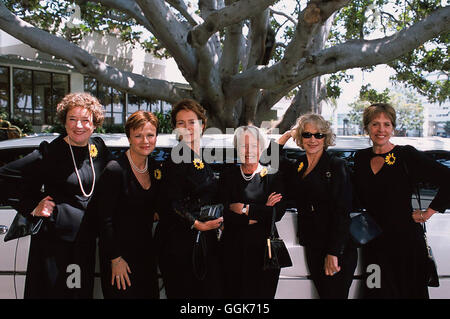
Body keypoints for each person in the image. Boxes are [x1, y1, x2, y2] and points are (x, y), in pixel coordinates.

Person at [0, 92, 111, 299]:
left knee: (79, 293)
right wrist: (32, 205)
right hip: (55, 244)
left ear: (94, 124)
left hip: (84, 243)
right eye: (72, 119)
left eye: (85, 120)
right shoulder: (51, 152)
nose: (79, 125)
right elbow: (5, 175)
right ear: (64, 122)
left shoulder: (98, 148)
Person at [353, 103, 450, 299]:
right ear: (366, 128)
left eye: (387, 124)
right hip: (374, 243)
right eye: (375, 124)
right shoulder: (360, 157)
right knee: (375, 292)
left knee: (409, 293)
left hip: (406, 242)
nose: (381, 130)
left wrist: (429, 212)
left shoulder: (406, 155)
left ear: (393, 128)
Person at [276, 113, 357, 299]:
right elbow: (268, 160)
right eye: (307, 135)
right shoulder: (299, 165)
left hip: (336, 248)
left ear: (325, 138)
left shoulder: (337, 166)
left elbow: (342, 210)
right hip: (313, 244)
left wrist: (333, 252)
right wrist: (287, 135)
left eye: (318, 135)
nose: (313, 140)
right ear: (300, 138)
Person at [155, 98, 223, 299]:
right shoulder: (177, 158)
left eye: (191, 122)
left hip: (197, 241)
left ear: (202, 125)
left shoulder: (198, 156)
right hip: (178, 244)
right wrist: (197, 225)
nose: (186, 128)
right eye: (180, 123)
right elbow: (170, 203)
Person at [96, 111, 161, 299]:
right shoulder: (115, 170)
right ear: (129, 137)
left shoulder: (155, 168)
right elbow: (104, 219)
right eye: (138, 135)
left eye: (150, 135)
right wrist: (115, 259)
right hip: (120, 258)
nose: (145, 141)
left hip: (146, 255)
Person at [220, 125, 286, 299]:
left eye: (254, 146)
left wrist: (244, 208)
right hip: (232, 251)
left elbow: (277, 213)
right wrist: (262, 210)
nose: (248, 151)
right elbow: (223, 211)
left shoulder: (272, 175)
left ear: (262, 147)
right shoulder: (228, 175)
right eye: (243, 146)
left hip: (264, 254)